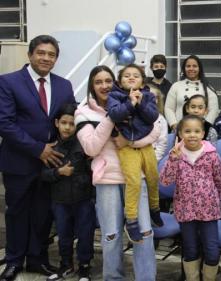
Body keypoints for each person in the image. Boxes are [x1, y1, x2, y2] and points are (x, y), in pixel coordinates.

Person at [0, 34, 76, 280]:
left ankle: (37, 259)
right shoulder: (8, 82)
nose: (46, 58)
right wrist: (37, 149)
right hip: (19, 161)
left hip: (52, 163)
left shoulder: (64, 85)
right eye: (41, 53)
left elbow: (69, 120)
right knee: (17, 212)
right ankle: (13, 260)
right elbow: (5, 123)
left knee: (43, 214)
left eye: (51, 54)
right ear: (30, 54)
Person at [75, 65, 159, 281]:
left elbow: (156, 131)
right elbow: (91, 148)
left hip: (135, 177)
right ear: (92, 87)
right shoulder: (83, 111)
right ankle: (113, 278)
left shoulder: (134, 99)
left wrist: (130, 139)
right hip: (108, 179)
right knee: (111, 236)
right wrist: (112, 117)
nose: (104, 85)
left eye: (108, 81)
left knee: (144, 233)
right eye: (98, 82)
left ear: (116, 83)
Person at [160, 115, 221, 281]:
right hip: (185, 212)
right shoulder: (176, 155)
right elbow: (165, 180)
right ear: (180, 133)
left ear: (203, 133)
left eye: (197, 131)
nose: (192, 135)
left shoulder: (212, 155)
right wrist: (173, 159)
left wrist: (216, 202)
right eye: (187, 131)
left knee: (212, 252)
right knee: (190, 250)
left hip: (209, 211)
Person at [107, 64, 163, 243]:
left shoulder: (147, 96)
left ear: (142, 81)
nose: (131, 78)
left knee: (154, 175)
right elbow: (115, 115)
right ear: (119, 81)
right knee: (134, 181)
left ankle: (155, 208)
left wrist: (139, 103)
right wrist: (130, 103)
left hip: (144, 144)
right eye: (126, 76)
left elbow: (152, 118)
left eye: (136, 76)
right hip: (126, 147)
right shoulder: (114, 96)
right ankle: (131, 220)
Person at [40, 104, 94, 281]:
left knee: (85, 234)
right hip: (59, 200)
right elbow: (43, 174)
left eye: (71, 124)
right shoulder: (51, 148)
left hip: (83, 199)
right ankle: (66, 265)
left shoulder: (85, 146)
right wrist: (59, 172)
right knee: (63, 234)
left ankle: (84, 266)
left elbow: (92, 171)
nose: (67, 127)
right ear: (56, 123)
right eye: (63, 122)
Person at [164, 55, 219, 127]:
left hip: (201, 131)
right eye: (188, 66)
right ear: (184, 68)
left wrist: (205, 127)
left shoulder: (208, 88)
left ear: (199, 68)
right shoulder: (176, 86)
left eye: (194, 66)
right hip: (180, 128)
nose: (191, 68)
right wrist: (174, 124)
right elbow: (168, 108)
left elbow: (213, 110)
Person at [148, 84, 169, 160]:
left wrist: (154, 160)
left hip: (153, 158)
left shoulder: (161, 119)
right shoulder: (135, 116)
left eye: (154, 97)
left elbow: (162, 143)